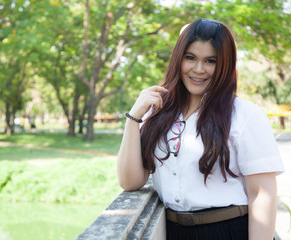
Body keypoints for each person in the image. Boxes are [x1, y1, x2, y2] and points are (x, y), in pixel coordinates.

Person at [117, 19, 285, 240]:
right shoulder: (158, 112)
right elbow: (130, 181)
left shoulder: (245, 115)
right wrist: (134, 118)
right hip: (175, 231)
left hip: (228, 231)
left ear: (225, 64)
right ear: (179, 59)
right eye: (190, 58)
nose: (198, 69)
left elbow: (261, 194)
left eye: (210, 61)